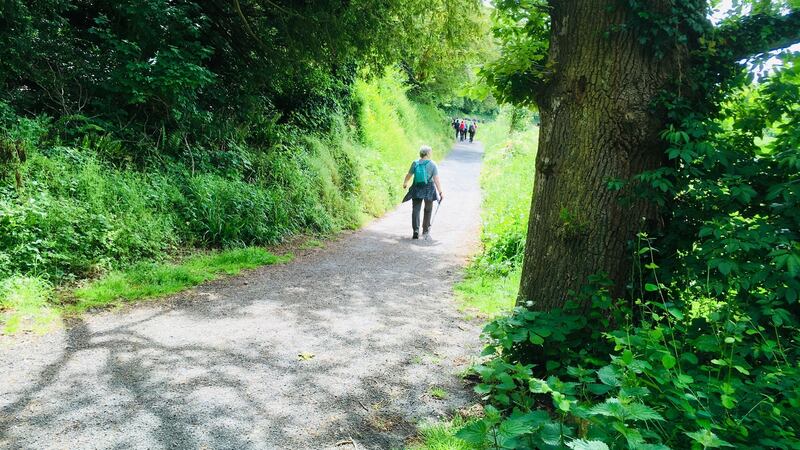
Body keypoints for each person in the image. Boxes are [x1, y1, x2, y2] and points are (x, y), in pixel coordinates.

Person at [402, 145, 444, 240]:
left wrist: (405, 183)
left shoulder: (415, 163)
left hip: (417, 187)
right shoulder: (432, 164)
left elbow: (409, 175)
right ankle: (425, 231)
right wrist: (440, 192)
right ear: (428, 153)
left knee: (416, 209)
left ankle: (415, 231)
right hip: (429, 188)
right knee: (428, 209)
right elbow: (436, 179)